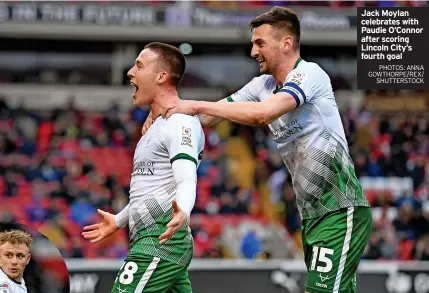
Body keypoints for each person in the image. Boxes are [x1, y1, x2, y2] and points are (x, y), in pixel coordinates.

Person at [144, 7, 372, 293]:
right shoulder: (261, 85)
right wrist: (166, 113)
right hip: (313, 216)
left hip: (341, 209)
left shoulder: (309, 74)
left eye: (260, 43)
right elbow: (211, 117)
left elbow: (263, 114)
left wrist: (195, 105)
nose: (253, 51)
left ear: (286, 43)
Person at [82, 42, 204, 293]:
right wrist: (119, 220)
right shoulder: (154, 127)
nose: (130, 72)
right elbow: (152, 189)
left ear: (161, 76)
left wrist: (184, 211)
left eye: (139, 65)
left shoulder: (180, 122)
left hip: (160, 238)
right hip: (151, 236)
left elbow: (186, 178)